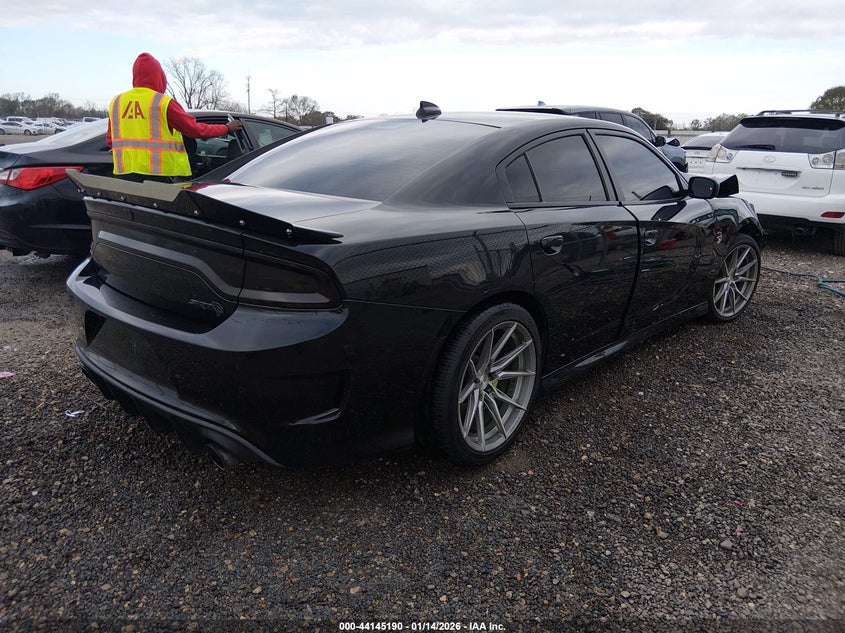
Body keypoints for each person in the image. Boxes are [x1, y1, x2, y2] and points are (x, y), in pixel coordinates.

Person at [107, 52, 243, 182]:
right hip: (161, 177)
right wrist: (226, 128)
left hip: (125, 175)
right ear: (159, 76)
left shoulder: (117, 102)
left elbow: (110, 140)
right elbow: (195, 130)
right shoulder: (162, 103)